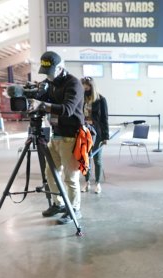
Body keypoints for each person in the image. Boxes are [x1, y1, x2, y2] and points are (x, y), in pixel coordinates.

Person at [31, 51, 85, 225]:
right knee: (51, 173)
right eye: (45, 73)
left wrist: (45, 106)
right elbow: (41, 97)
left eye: (50, 72)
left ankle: (74, 209)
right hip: (55, 136)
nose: (48, 76)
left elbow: (67, 109)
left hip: (71, 137)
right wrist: (32, 94)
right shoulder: (50, 83)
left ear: (61, 68)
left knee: (70, 178)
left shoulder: (74, 84)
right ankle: (58, 204)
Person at [80, 76, 109, 194]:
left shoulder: (101, 99)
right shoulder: (81, 98)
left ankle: (97, 183)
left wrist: (106, 136)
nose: (85, 89)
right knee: (85, 159)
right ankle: (86, 182)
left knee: (97, 159)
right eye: (83, 87)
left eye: (86, 87)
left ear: (91, 86)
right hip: (83, 132)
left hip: (97, 133)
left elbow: (104, 119)